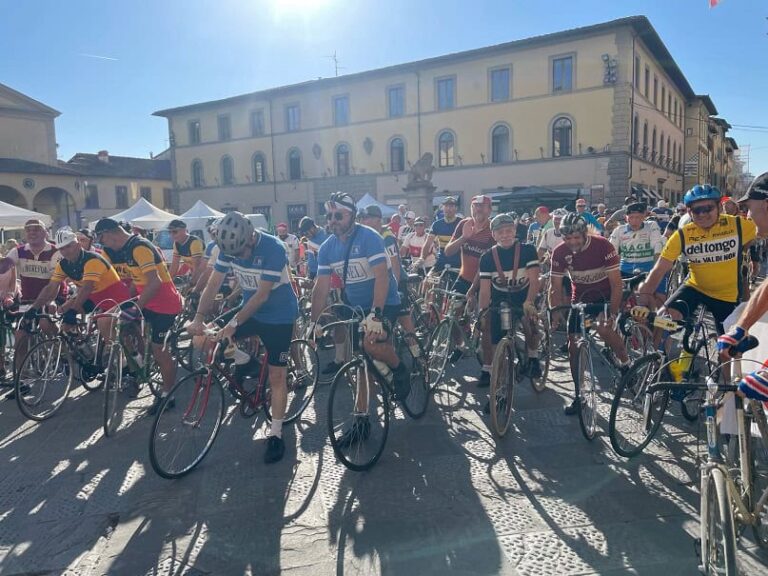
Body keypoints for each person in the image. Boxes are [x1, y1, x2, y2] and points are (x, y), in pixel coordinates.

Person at [187, 212, 298, 464]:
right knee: (205, 340)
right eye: (235, 255)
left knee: (277, 376)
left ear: (250, 237)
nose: (240, 257)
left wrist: (233, 324)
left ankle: (276, 434)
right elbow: (213, 284)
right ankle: (244, 360)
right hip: (251, 311)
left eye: (242, 252)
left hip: (279, 315)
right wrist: (199, 317)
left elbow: (262, 296)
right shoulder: (229, 248)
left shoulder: (273, 248)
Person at [310, 192, 408, 445]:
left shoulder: (369, 237)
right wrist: (313, 322)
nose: (333, 220)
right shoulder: (327, 248)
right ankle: (361, 421)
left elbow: (382, 277)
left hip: (385, 301)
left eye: (338, 215)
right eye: (329, 216)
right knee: (361, 363)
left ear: (352, 215)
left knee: (370, 343)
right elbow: (321, 288)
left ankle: (399, 369)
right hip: (356, 307)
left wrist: (376, 313)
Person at [637, 184, 756, 336]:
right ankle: (676, 341)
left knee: (729, 346)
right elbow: (660, 268)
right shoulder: (683, 234)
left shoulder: (738, 225)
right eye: (697, 210)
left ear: (719, 207)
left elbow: (761, 230)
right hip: (695, 287)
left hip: (726, 295)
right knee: (662, 320)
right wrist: (645, 295)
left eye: (708, 208)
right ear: (689, 212)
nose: (702, 214)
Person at [96, 217, 183, 414]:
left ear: (109, 233)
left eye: (102, 239)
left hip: (165, 304)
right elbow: (138, 280)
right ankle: (137, 361)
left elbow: (155, 282)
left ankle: (168, 395)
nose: (103, 244)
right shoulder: (125, 249)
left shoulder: (139, 247)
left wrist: (136, 308)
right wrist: (126, 303)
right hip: (147, 300)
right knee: (116, 321)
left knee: (159, 350)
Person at [549, 213, 629, 415]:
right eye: (568, 238)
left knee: (603, 329)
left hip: (605, 296)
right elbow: (555, 286)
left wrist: (612, 312)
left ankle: (626, 364)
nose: (572, 242)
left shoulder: (603, 245)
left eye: (576, 237)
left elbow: (616, 283)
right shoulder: (560, 252)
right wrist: (555, 311)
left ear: (584, 234)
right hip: (581, 299)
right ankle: (579, 394)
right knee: (573, 345)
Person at [478, 213, 541, 412]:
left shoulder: (528, 250)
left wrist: (529, 302)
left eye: (508, 231)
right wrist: (482, 312)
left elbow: (534, 280)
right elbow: (485, 291)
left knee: (530, 324)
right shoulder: (487, 257)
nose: (505, 235)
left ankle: (533, 356)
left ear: (515, 231)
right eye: (500, 232)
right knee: (496, 345)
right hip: (501, 299)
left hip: (524, 295)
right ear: (494, 235)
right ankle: (498, 393)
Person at [29, 228, 129, 339]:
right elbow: (51, 287)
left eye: (68, 246)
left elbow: (87, 287)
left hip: (115, 298)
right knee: (59, 314)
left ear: (78, 245)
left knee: (105, 327)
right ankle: (71, 345)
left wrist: (73, 310)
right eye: (62, 248)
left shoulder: (92, 260)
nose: (66, 251)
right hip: (93, 298)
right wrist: (34, 308)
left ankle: (111, 348)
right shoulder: (63, 264)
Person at [444, 194, 495, 386]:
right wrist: (464, 237)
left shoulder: (492, 229)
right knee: (452, 315)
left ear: (489, 210)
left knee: (486, 324)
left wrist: (473, 292)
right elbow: (448, 251)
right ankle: (460, 346)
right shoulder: (464, 224)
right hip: (464, 277)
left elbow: (486, 266)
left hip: (486, 281)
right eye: (475, 206)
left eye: (482, 207)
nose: (478, 210)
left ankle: (488, 368)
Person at [9, 219, 66, 386]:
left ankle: (61, 349)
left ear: (45, 232)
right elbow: (3, 268)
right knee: (20, 338)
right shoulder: (18, 251)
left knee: (45, 323)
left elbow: (54, 283)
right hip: (28, 299)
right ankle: (22, 381)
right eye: (29, 230)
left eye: (36, 229)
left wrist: (51, 301)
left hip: (52, 295)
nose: (32, 233)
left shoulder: (55, 252)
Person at [609, 202, 665, 306]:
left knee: (658, 297)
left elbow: (657, 246)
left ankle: (656, 313)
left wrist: (656, 269)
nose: (634, 220)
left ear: (643, 217)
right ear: (626, 218)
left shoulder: (651, 226)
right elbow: (611, 251)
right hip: (626, 268)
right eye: (631, 217)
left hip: (648, 267)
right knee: (617, 295)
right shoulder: (619, 230)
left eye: (638, 217)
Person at [421, 196, 461, 275]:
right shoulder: (437, 224)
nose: (448, 209)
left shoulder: (462, 223)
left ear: (456, 208)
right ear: (443, 208)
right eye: (446, 206)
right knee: (427, 280)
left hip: (458, 263)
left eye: (451, 206)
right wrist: (422, 258)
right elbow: (428, 243)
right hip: (441, 262)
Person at [167, 219, 204, 286]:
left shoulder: (194, 242)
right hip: (195, 273)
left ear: (184, 230)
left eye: (175, 232)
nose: (172, 235)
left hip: (204, 274)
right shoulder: (176, 244)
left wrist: (191, 284)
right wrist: (167, 282)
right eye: (169, 232)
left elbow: (197, 267)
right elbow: (174, 265)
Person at [0, 256, 18, 379]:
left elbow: (13, 283)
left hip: (8, 300)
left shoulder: (8, 262)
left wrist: (9, 296)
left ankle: (1, 365)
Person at [298, 217, 328, 281]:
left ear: (312, 228)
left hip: (322, 272)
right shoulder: (310, 237)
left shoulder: (325, 235)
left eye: (306, 233)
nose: (306, 236)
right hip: (311, 272)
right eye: (304, 234)